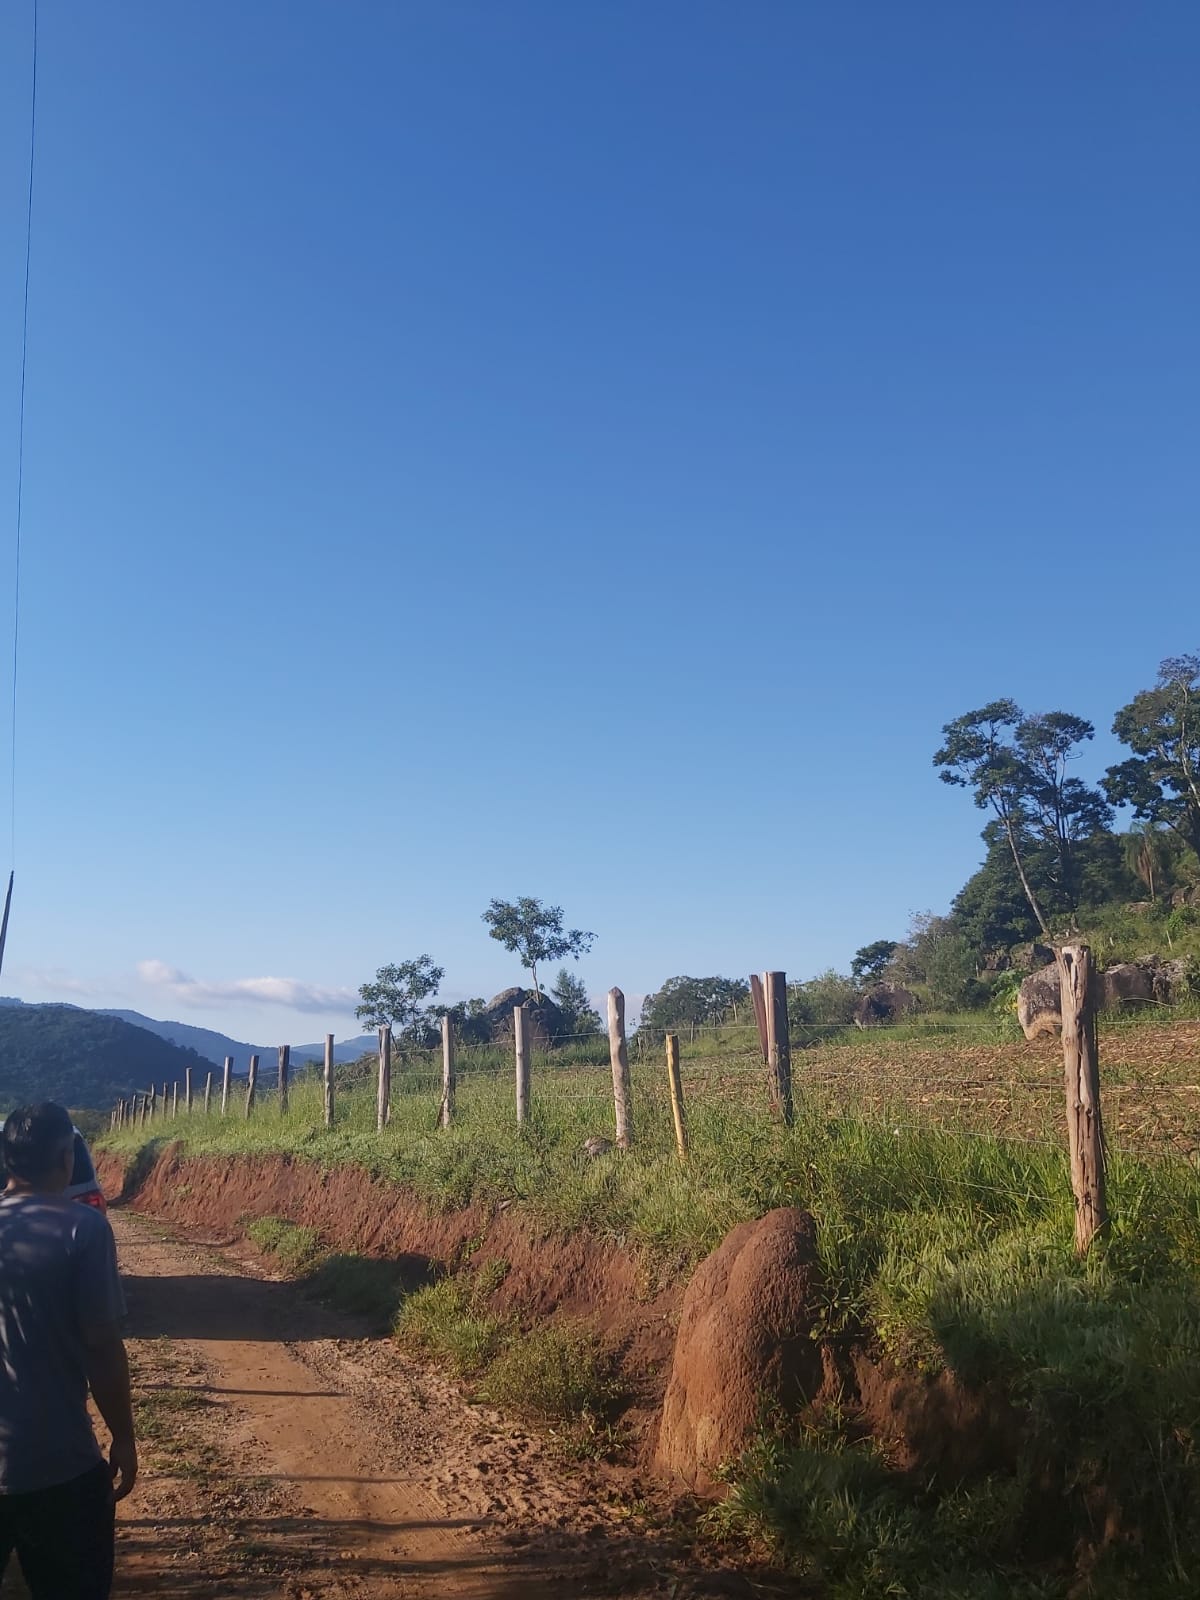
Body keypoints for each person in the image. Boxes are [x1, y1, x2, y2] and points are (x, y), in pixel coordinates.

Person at [0, 1102, 136, 1600]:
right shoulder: (84, 1228)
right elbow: (101, 1346)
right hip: (59, 1467)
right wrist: (123, 1437)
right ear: (65, 1159)